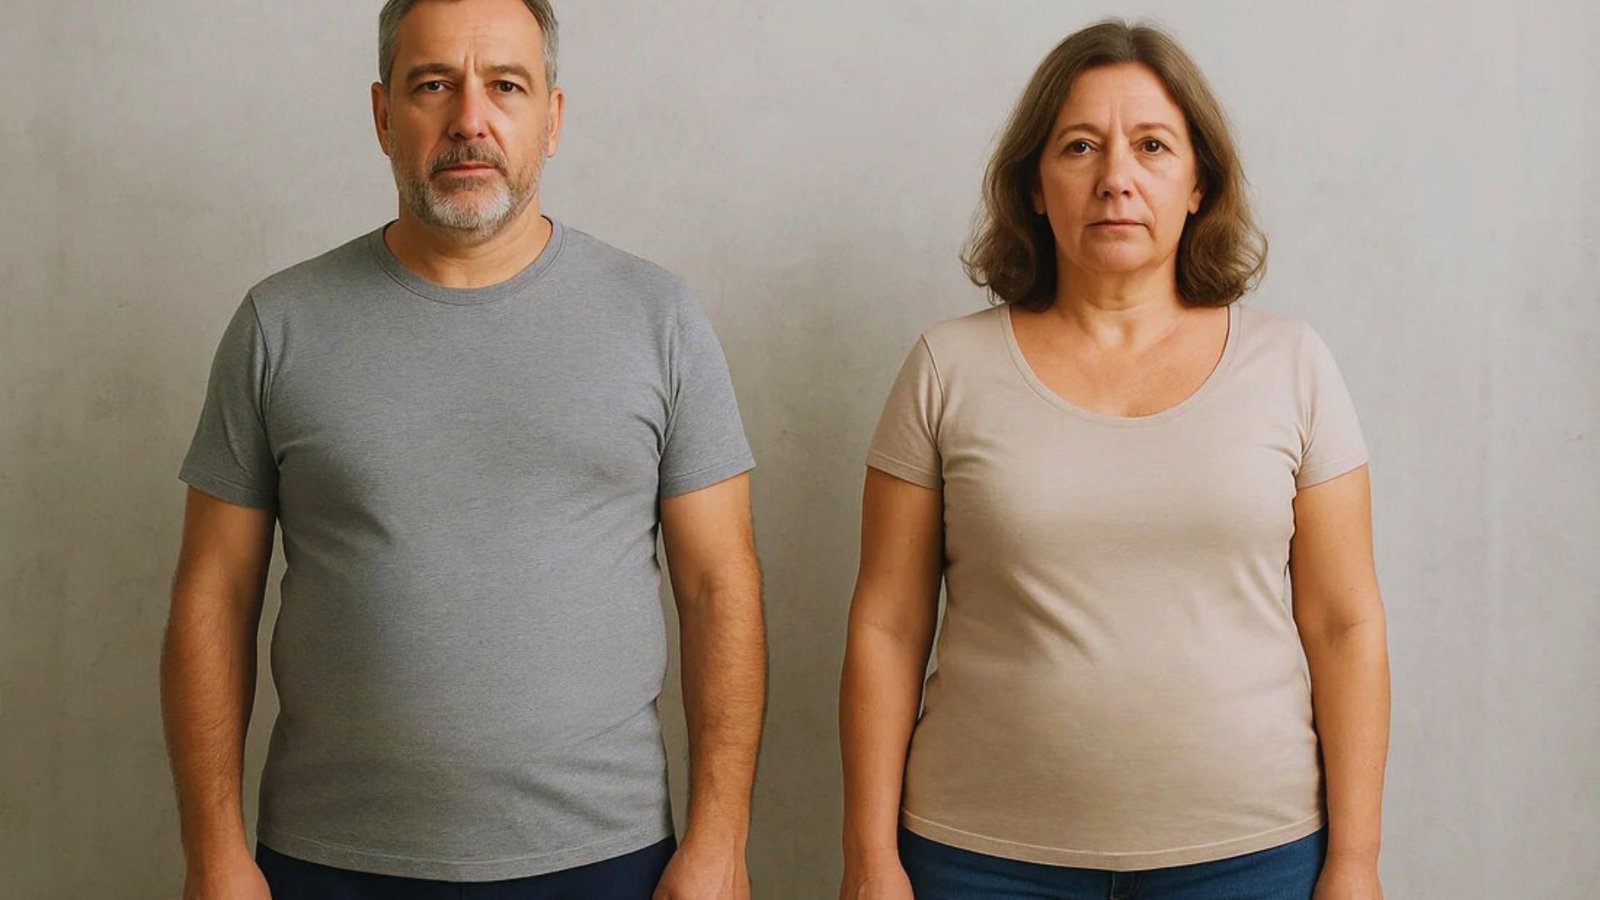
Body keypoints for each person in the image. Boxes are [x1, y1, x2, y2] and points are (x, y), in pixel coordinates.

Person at [160, 1, 764, 897]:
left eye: (506, 86)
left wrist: (720, 839)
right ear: (382, 115)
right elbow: (214, 595)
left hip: (605, 859)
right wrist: (213, 853)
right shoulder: (278, 325)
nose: (470, 119)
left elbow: (721, 587)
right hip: (330, 861)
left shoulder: (658, 319)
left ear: (553, 117)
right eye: (433, 84)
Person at [839, 19, 1389, 900]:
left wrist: (1356, 862)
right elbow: (887, 625)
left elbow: (1344, 623)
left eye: (1152, 146)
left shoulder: (1293, 365)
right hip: (980, 861)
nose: (1116, 179)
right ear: (1035, 184)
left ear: (1199, 182)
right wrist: (869, 860)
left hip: (1253, 858)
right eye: (1081, 146)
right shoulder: (946, 367)